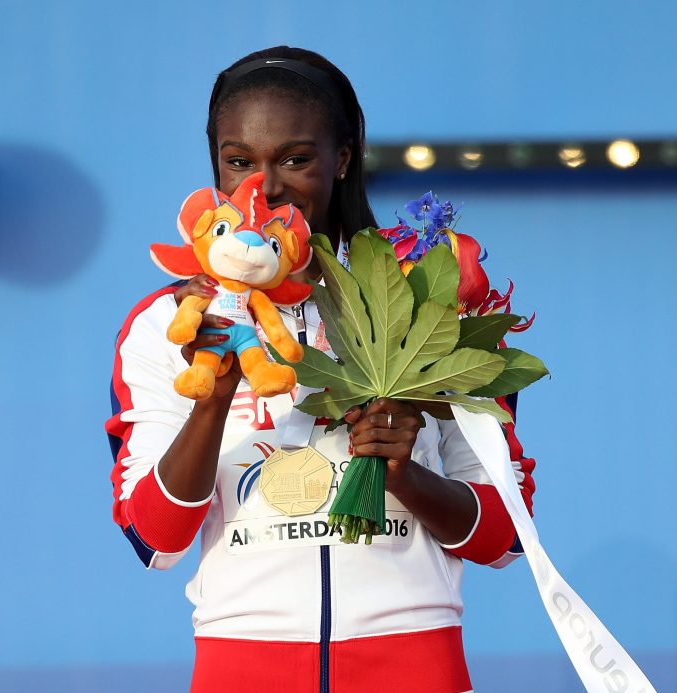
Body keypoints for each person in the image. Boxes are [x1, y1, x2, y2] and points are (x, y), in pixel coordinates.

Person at [106, 46, 536, 693]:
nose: (265, 188)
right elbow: (154, 539)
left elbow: (505, 537)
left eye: (296, 159)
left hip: (413, 661)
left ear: (343, 158)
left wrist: (407, 474)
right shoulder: (171, 324)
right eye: (239, 161)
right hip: (241, 663)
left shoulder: (430, 296)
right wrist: (212, 401)